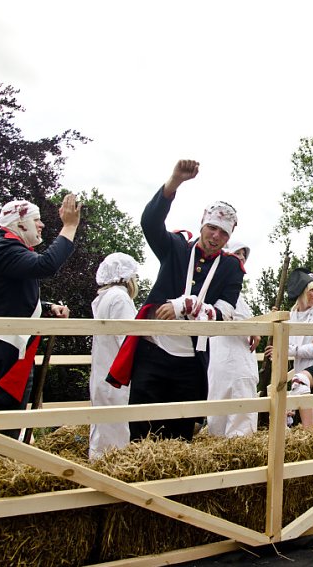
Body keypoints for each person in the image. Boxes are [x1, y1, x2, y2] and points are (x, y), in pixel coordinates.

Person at [105, 159, 244, 442]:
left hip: (190, 362)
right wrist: (174, 182)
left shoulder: (231, 267)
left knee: (179, 438)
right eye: (212, 228)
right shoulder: (176, 247)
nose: (216, 236)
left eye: (223, 232)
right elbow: (150, 222)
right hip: (153, 354)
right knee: (141, 433)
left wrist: (184, 305)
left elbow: (223, 315)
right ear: (203, 224)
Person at [0, 194, 81, 461]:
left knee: (8, 426)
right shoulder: (2, 248)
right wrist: (70, 226)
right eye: (37, 220)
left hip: (7, 348)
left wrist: (48, 305)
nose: (41, 226)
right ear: (20, 223)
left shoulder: (6, 248)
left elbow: (6, 298)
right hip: (0, 350)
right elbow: (46, 265)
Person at [264, 267, 313, 429]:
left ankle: (307, 438)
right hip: (306, 372)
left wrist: (285, 350)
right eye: (312, 290)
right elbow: (282, 343)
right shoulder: (290, 317)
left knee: (299, 381)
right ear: (302, 291)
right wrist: (274, 322)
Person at [206, 240, 261, 437]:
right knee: (240, 418)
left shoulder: (223, 290)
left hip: (225, 360)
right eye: (238, 254)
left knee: (221, 413)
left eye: (244, 256)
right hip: (234, 361)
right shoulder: (227, 292)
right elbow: (230, 316)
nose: (242, 259)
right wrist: (254, 329)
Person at [89, 252, 140, 460]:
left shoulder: (103, 298)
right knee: (118, 432)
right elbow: (128, 341)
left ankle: (99, 468)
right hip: (117, 376)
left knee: (103, 428)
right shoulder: (120, 298)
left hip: (103, 373)